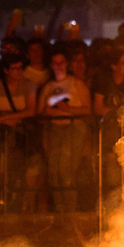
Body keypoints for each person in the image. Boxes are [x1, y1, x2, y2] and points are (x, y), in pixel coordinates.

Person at [38, 51, 92, 212]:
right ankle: (61, 209)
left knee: (66, 170)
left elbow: (88, 109)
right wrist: (47, 112)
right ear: (51, 66)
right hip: (52, 130)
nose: (59, 66)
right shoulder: (48, 87)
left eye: (62, 62)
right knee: (54, 171)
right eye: (55, 63)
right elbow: (39, 112)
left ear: (66, 64)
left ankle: (71, 209)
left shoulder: (77, 84)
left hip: (73, 130)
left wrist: (68, 109)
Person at [0, 54, 39, 212]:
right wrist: (2, 120)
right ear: (6, 71)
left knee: (27, 166)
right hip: (3, 133)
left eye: (20, 68)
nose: (18, 72)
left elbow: (31, 110)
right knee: (2, 167)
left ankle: (26, 204)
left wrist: (6, 117)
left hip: (24, 135)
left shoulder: (29, 85)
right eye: (14, 69)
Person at [93, 51, 124, 210]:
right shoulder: (104, 82)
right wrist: (116, 112)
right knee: (113, 173)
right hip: (110, 135)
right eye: (122, 62)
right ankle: (113, 210)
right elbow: (98, 108)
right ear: (113, 66)